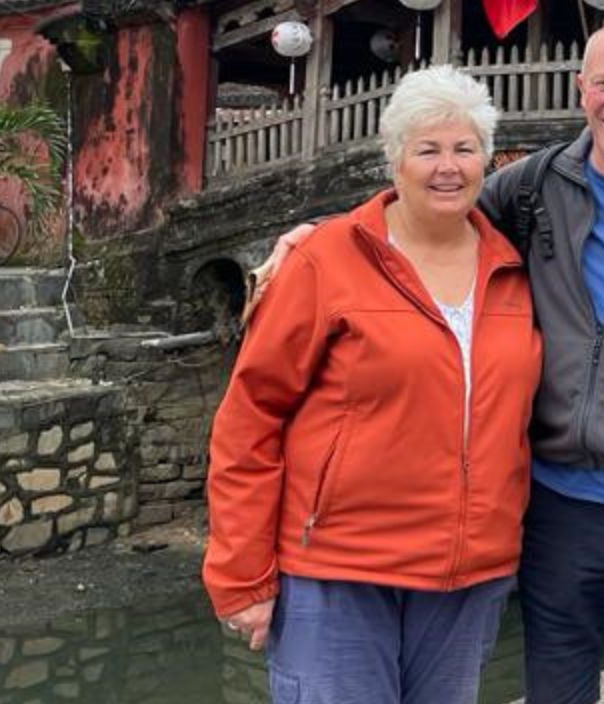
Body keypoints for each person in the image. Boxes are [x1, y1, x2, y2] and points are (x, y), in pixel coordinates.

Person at [255, 20, 604, 704]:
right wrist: (325, 234)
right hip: (558, 507)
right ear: (581, 90)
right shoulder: (532, 190)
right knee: (557, 693)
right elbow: (430, 203)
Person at [204, 65, 542, 704]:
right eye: (428, 149)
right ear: (394, 160)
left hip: (466, 576)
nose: (449, 166)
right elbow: (251, 420)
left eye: (465, 148)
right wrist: (243, 576)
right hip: (341, 569)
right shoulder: (324, 260)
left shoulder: (515, 269)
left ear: (487, 160)